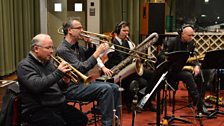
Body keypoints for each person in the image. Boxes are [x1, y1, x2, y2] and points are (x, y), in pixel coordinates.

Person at [56, 17, 121, 126]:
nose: (82, 30)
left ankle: (116, 121)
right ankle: (107, 124)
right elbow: (81, 68)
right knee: (106, 89)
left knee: (114, 88)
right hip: (72, 87)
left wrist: (90, 45)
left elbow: (89, 57)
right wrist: (98, 51)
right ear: (70, 31)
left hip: (84, 83)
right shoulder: (63, 49)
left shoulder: (77, 47)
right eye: (79, 28)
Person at [16, 34, 88, 126]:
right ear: (36, 49)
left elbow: (58, 87)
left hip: (56, 104)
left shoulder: (48, 63)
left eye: (52, 47)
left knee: (81, 119)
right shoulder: (24, 65)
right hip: (37, 108)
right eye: (48, 48)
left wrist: (65, 81)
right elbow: (36, 86)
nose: (52, 51)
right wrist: (58, 73)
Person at [97, 20, 156, 112]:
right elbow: (97, 57)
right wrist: (103, 67)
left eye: (127, 31)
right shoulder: (109, 43)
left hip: (127, 69)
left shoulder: (130, 44)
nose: (126, 33)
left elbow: (132, 59)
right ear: (117, 30)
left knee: (152, 75)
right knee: (133, 80)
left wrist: (137, 59)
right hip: (114, 71)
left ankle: (146, 101)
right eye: (124, 30)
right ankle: (130, 103)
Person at [154, 24, 210, 115]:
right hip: (171, 70)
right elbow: (160, 55)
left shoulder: (191, 43)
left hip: (182, 68)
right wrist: (170, 58)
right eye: (189, 35)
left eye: (193, 35)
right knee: (188, 76)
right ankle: (199, 105)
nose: (192, 37)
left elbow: (193, 56)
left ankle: (200, 100)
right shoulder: (172, 42)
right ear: (182, 34)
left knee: (204, 72)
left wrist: (196, 65)